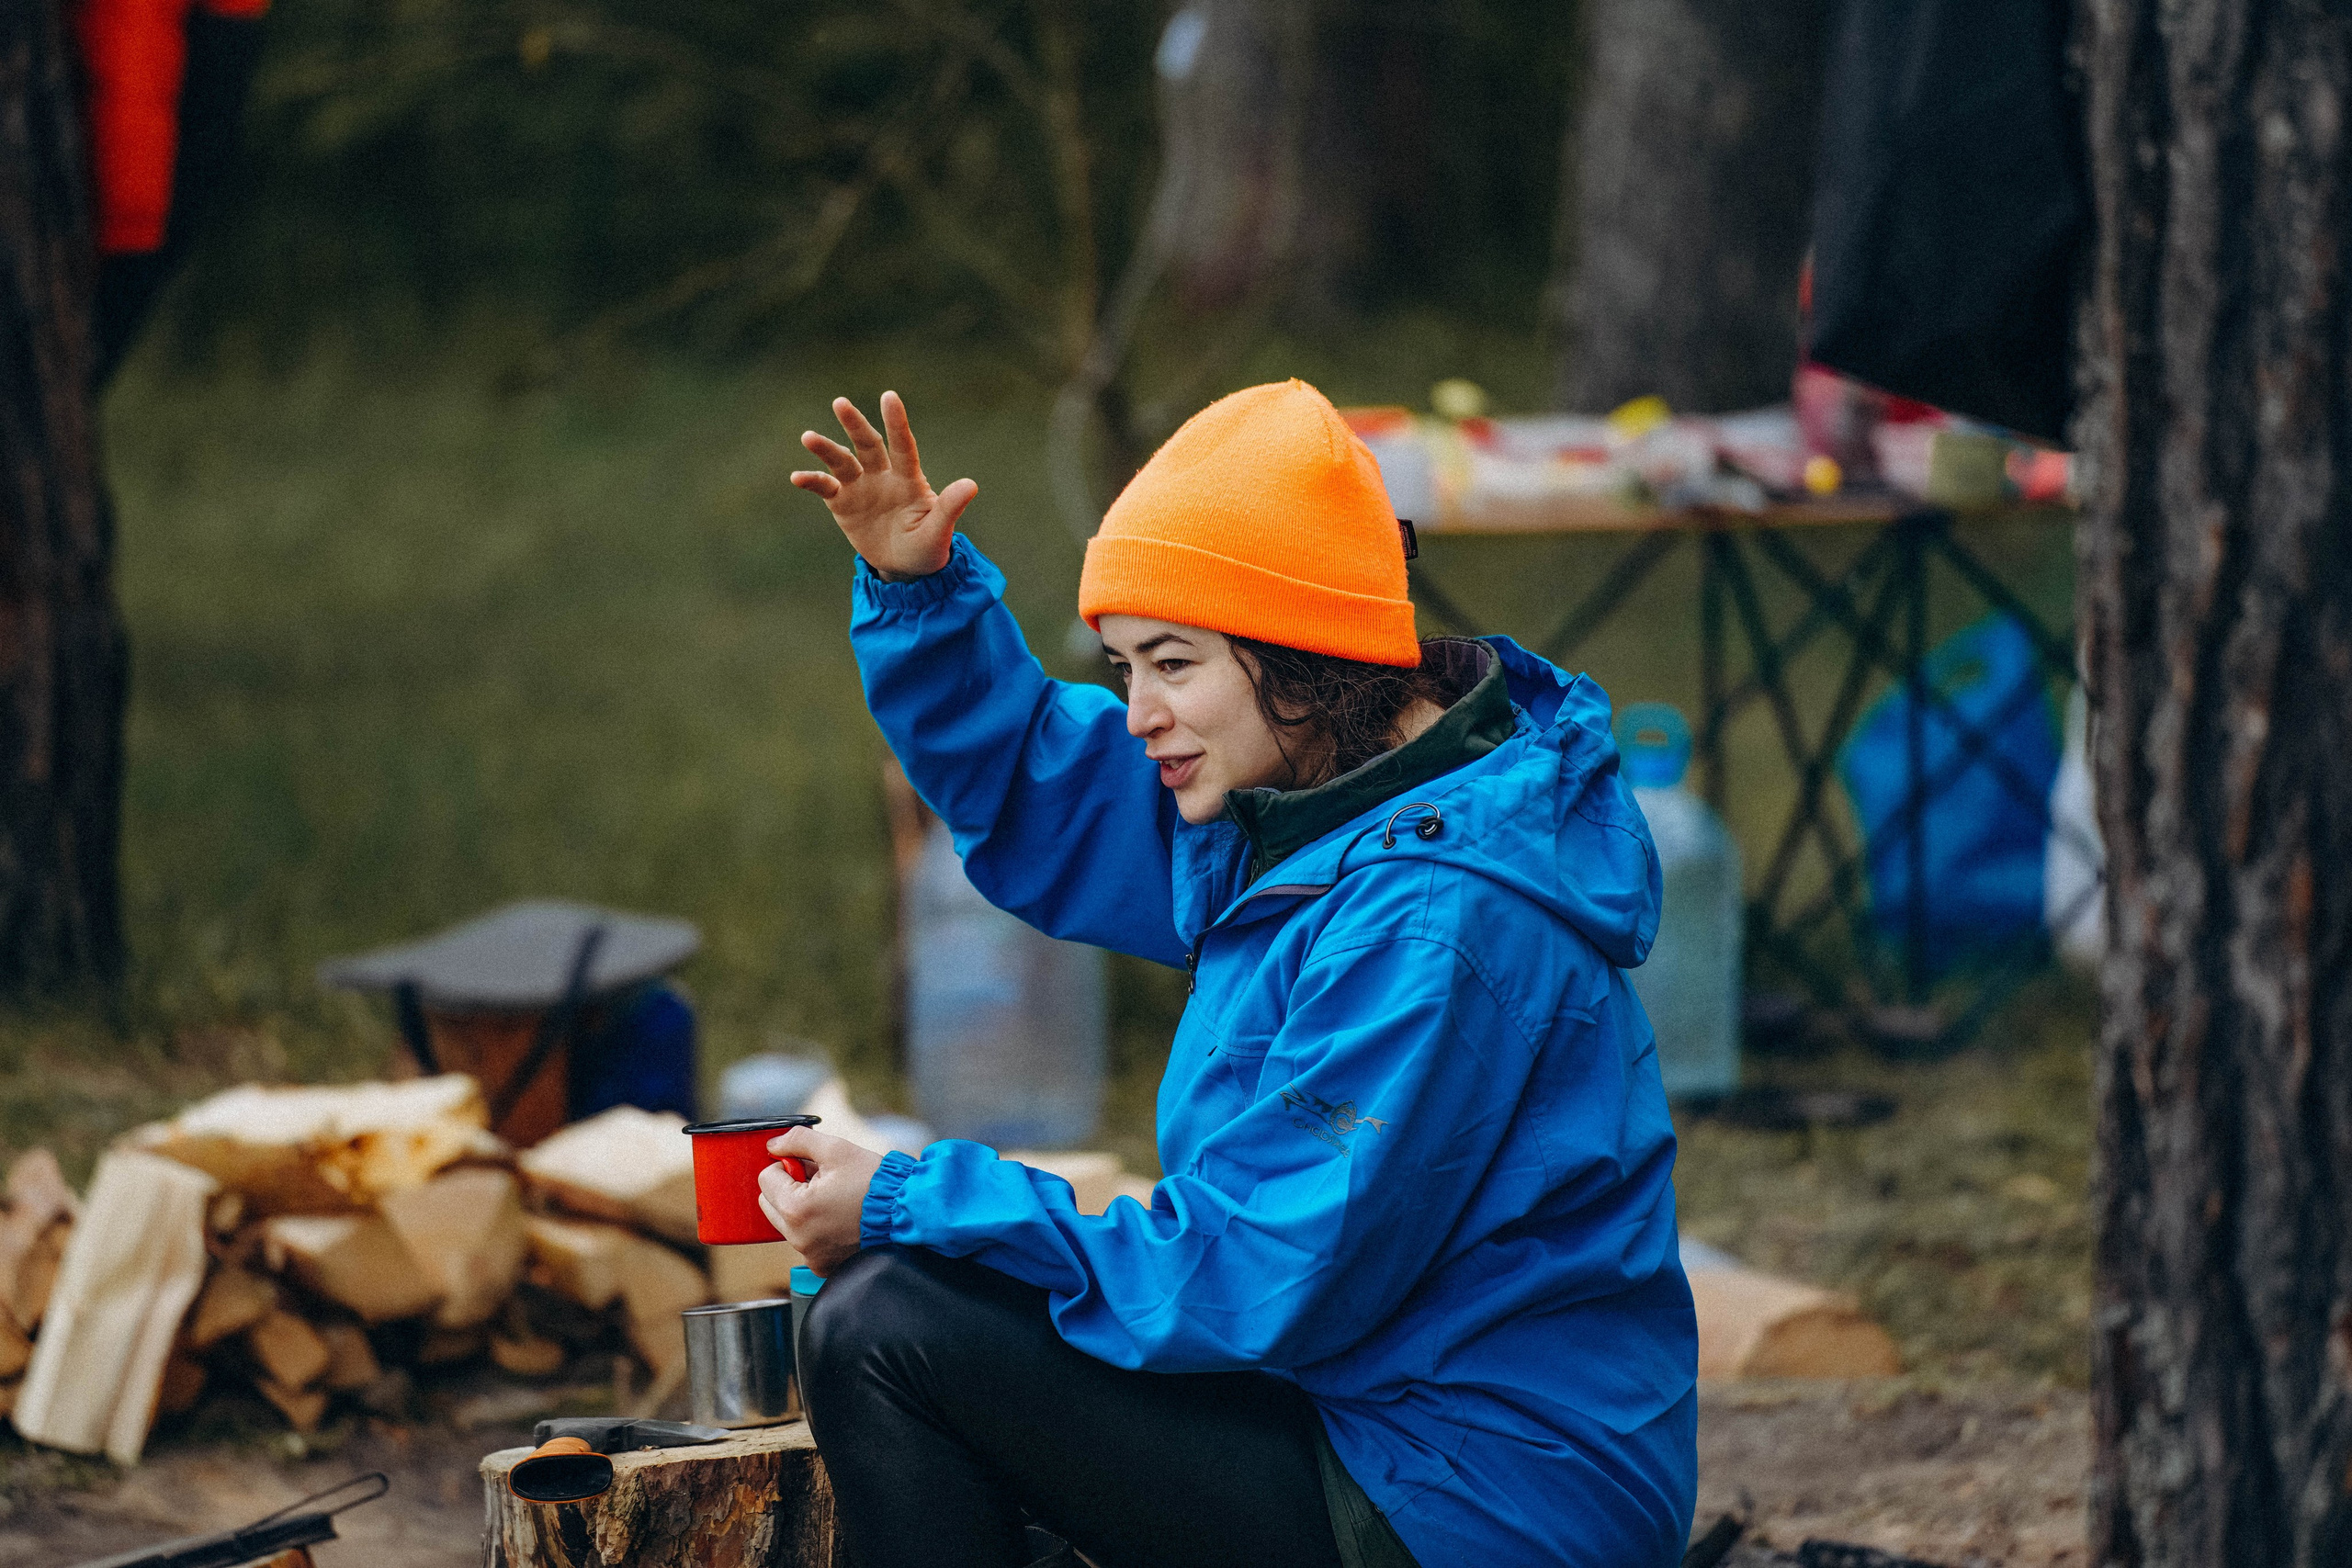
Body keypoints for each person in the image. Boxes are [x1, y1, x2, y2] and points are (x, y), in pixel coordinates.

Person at [761, 380, 1697, 1568]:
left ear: (1298, 655)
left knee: (886, 1330)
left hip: (1482, 1499)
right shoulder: (1312, 802)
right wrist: (919, 590)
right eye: (1123, 664)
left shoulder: (1435, 922)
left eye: (1171, 663)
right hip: (1365, 1412)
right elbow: (1044, 786)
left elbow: (1254, 1275)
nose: (1138, 710)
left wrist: (912, 1198)